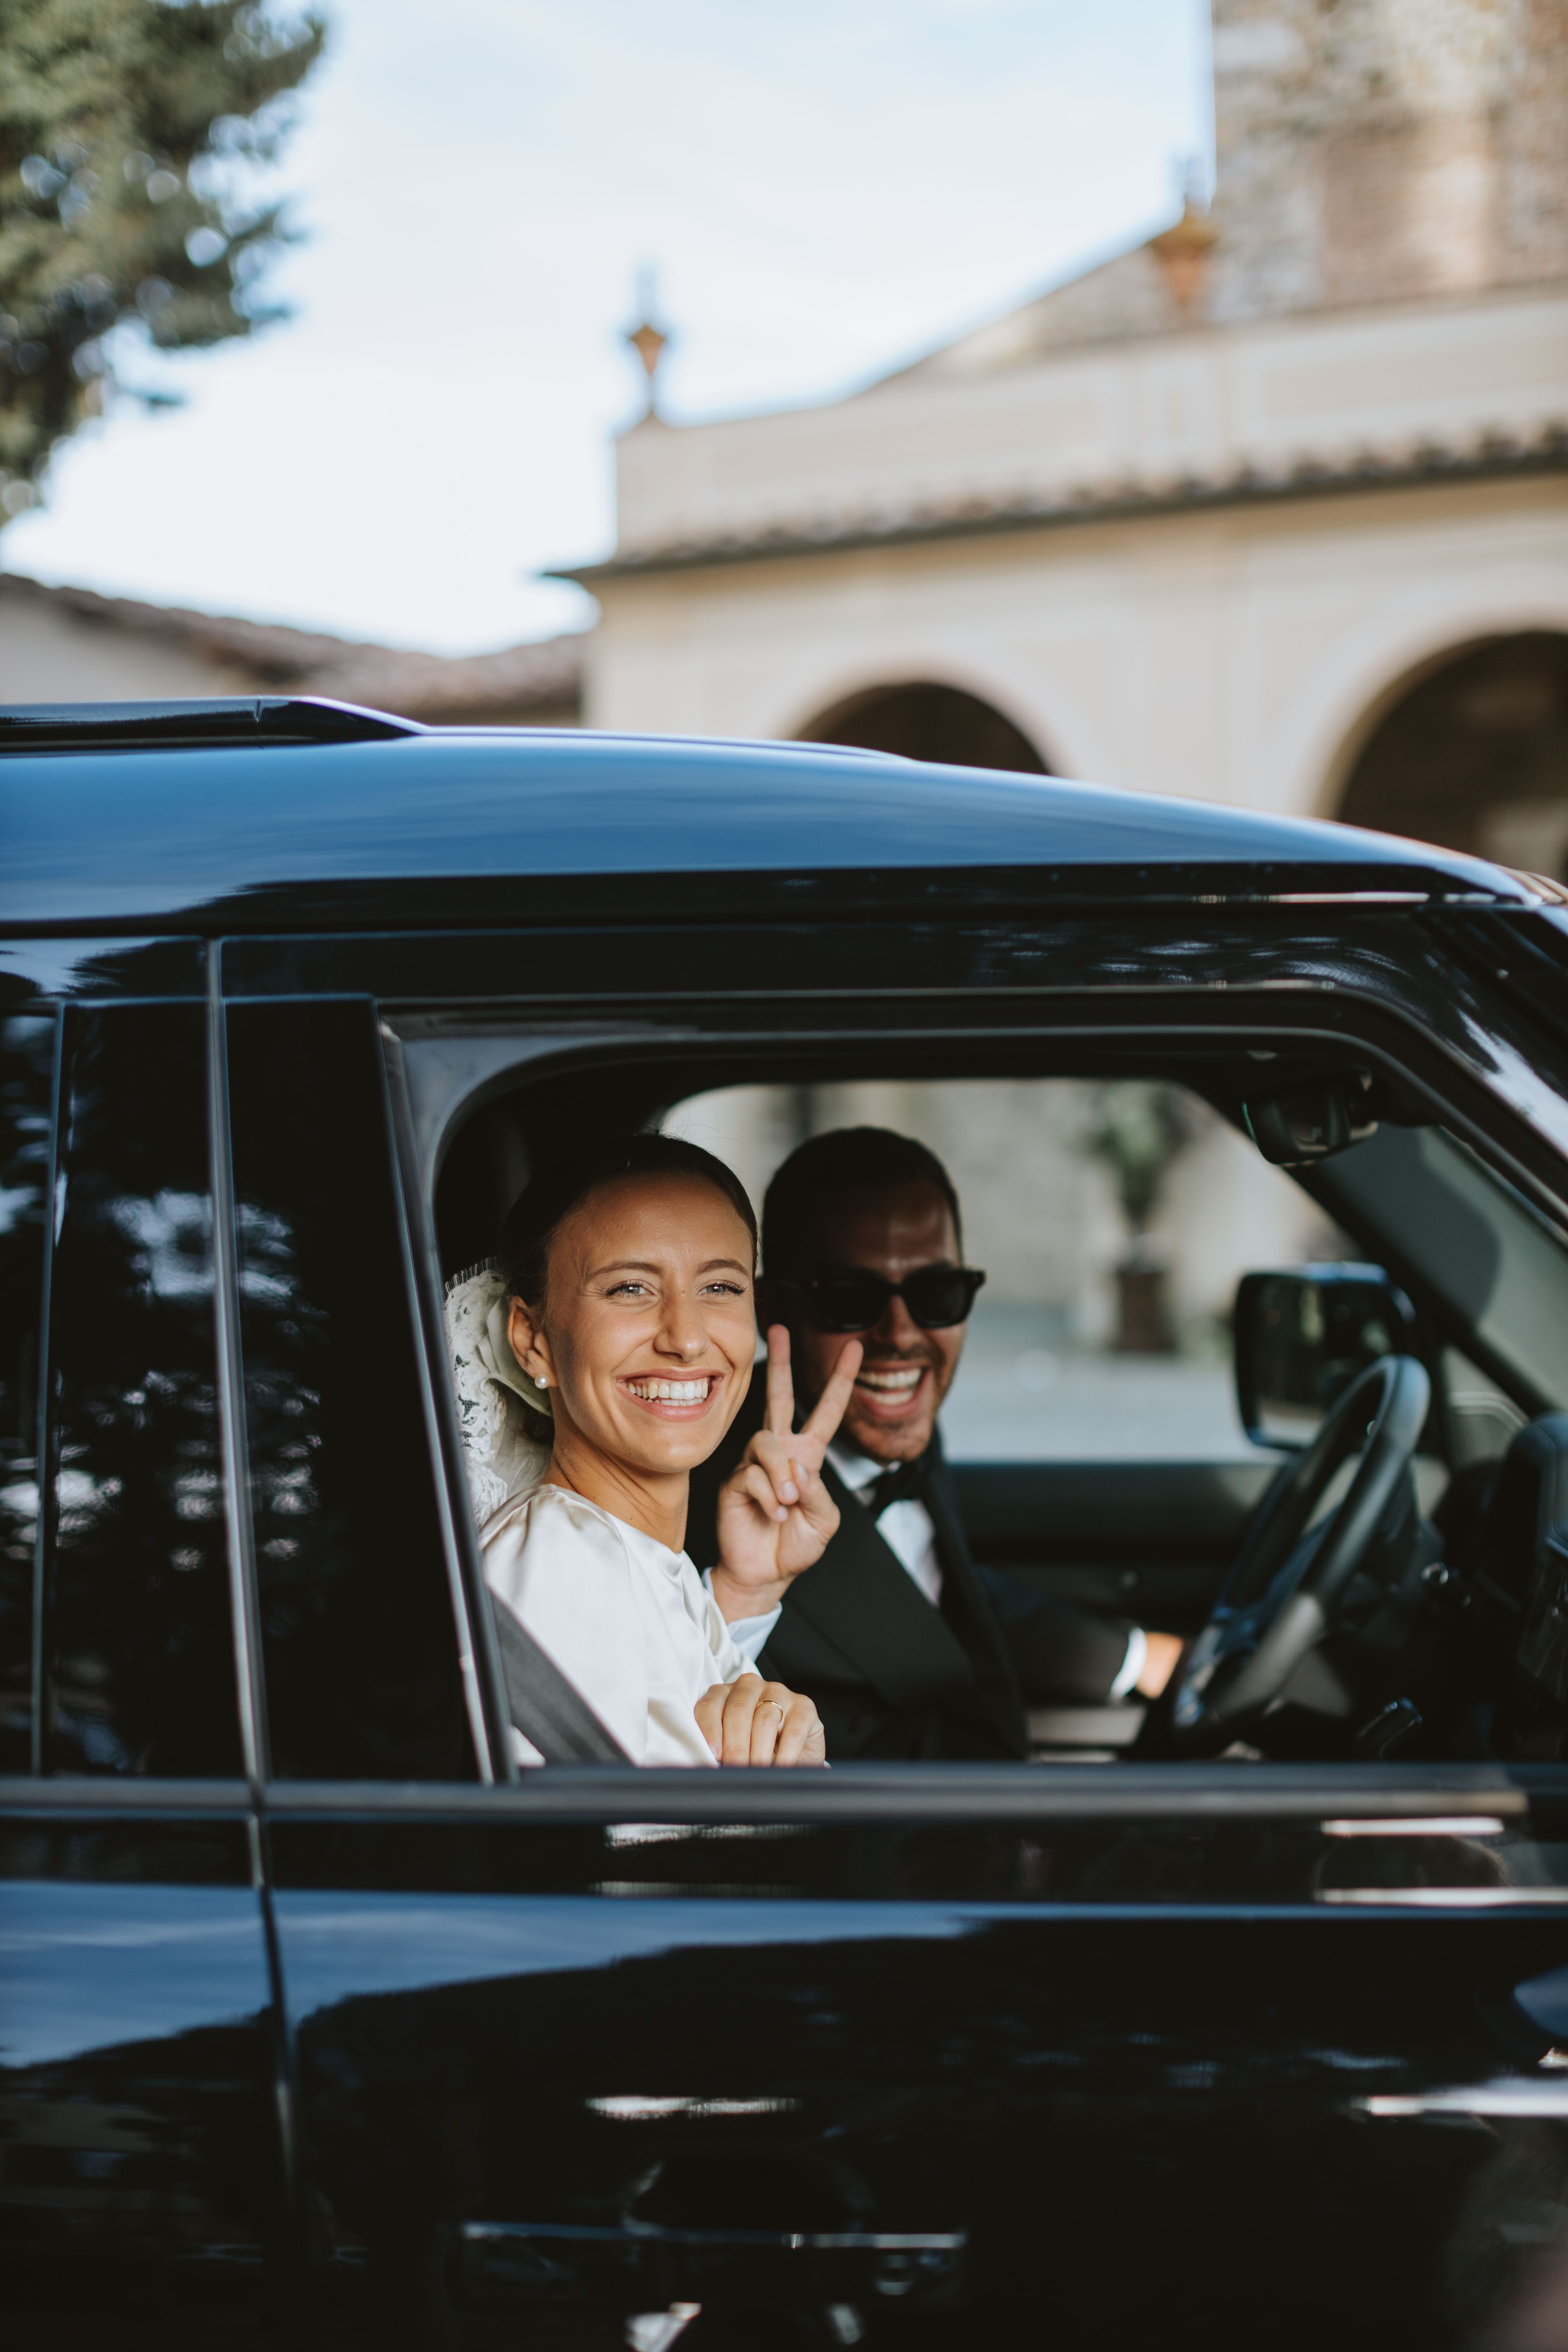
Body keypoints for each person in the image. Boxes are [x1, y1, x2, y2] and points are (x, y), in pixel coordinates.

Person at [687, 1128, 1184, 1761]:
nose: (901, 1335)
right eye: (851, 1299)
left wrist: (1137, 1657)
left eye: (935, 1295)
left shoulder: (896, 1420)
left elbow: (934, 1594)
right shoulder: (711, 1515)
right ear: (772, 1309)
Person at [472, 1133, 863, 1768]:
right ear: (533, 1338)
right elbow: (647, 1853)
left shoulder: (629, 1555)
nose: (686, 1338)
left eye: (720, 1288)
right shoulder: (559, 1566)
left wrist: (744, 1593)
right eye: (630, 1288)